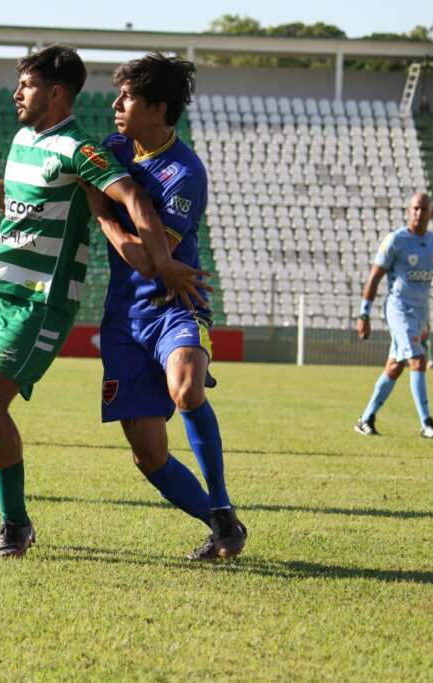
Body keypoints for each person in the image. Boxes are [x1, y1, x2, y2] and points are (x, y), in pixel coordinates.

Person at [0, 45, 209, 559]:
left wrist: (161, 259)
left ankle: (14, 524)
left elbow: (133, 196)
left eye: (26, 85)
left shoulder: (80, 150)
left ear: (56, 92)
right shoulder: (24, 139)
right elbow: (8, 195)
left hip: (39, 302)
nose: (16, 93)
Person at [86, 53, 246, 560]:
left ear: (157, 109)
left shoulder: (185, 172)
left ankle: (221, 505)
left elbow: (150, 260)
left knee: (186, 389)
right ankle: (221, 527)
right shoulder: (113, 148)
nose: (116, 104)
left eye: (127, 97)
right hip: (123, 319)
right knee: (148, 455)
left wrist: (102, 216)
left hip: (175, 305)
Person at [355, 192, 433, 438]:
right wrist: (364, 314)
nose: (419, 213)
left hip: (419, 313)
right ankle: (426, 424)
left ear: (431, 214)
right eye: (415, 208)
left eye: (424, 209)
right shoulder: (395, 240)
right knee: (418, 359)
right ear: (408, 211)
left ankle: (365, 419)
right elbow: (374, 277)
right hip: (398, 309)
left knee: (395, 367)